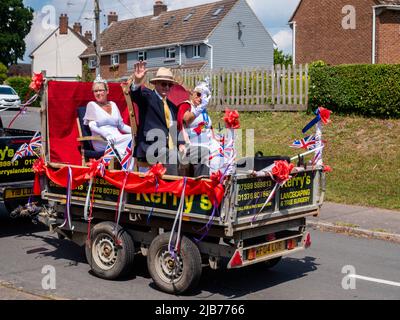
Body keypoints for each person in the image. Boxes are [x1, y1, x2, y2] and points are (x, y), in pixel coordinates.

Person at [130, 61, 182, 175]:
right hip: (150, 146)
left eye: (170, 85)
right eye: (164, 84)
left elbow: (174, 129)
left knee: (199, 153)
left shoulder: (172, 106)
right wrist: (138, 81)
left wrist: (181, 143)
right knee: (172, 155)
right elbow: (135, 95)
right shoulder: (148, 96)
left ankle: (200, 191)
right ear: (156, 83)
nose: (167, 87)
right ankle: (171, 190)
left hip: (168, 147)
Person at [177, 79, 219, 177]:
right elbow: (186, 118)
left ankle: (220, 184)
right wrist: (199, 109)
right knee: (204, 152)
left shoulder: (203, 110)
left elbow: (206, 127)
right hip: (190, 145)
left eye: (204, 96)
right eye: (199, 94)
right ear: (193, 93)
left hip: (207, 143)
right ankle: (203, 185)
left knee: (226, 152)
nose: (200, 98)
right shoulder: (186, 105)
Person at [83, 76, 132, 159]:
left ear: (107, 91)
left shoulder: (113, 104)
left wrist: (136, 131)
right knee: (131, 140)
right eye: (95, 91)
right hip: (101, 140)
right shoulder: (91, 105)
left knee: (135, 138)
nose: (98, 93)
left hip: (117, 138)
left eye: (101, 90)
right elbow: (92, 126)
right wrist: (105, 134)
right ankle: (128, 169)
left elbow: (122, 126)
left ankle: (130, 169)